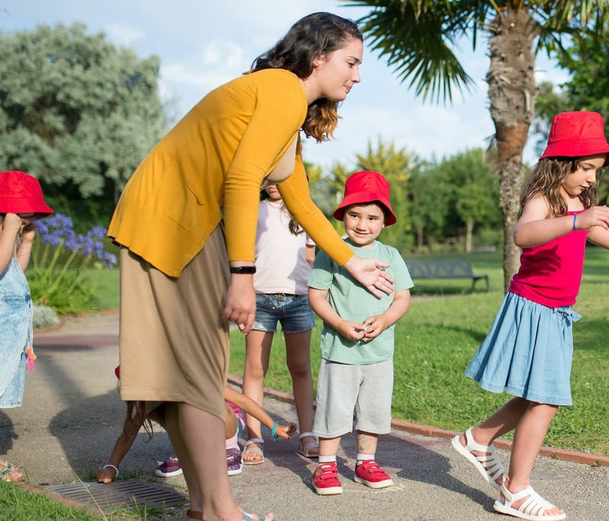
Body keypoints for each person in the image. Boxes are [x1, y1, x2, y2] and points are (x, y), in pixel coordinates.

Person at [106, 12, 395, 521]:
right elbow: (242, 180)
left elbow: (302, 204)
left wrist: (353, 263)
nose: (357, 75)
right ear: (318, 56)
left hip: (171, 222)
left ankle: (205, 508)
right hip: (174, 224)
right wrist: (243, 276)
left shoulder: (283, 107)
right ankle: (221, 510)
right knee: (199, 372)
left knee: (185, 376)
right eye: (351, 62)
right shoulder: (283, 90)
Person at [450, 111, 609, 521]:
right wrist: (576, 219)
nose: (591, 177)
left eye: (596, 170)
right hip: (533, 307)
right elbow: (523, 234)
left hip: (557, 312)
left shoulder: (577, 203)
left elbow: (592, 230)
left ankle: (478, 439)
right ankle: (515, 490)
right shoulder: (544, 199)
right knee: (546, 398)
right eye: (585, 167)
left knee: (538, 394)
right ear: (561, 162)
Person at [307, 171, 413, 495]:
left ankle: (365, 462)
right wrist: (339, 324)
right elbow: (316, 296)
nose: (362, 224)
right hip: (341, 353)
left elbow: (402, 298)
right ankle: (326, 465)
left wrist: (385, 319)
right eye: (354, 215)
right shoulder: (332, 252)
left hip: (379, 354)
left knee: (373, 410)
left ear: (384, 222)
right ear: (343, 215)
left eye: (372, 217)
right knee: (334, 408)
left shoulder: (391, 256)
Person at [241, 185, 318, 465]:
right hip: (259, 298)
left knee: (300, 367)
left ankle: (307, 435)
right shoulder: (252, 209)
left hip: (299, 299)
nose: (274, 182)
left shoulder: (306, 210)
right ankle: (254, 438)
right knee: (255, 369)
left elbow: (310, 256)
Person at [97, 375, 297, 483]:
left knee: (213, 402)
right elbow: (128, 434)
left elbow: (242, 401)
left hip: (226, 421)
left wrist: (274, 427)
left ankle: (229, 448)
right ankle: (187, 451)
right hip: (197, 429)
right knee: (179, 411)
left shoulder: (189, 377)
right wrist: (111, 467)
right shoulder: (148, 402)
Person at [0, 171, 52, 484]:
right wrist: (10, 228)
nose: (25, 221)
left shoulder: (8, 238)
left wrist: (26, 242)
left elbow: (12, 273)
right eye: (22, 215)